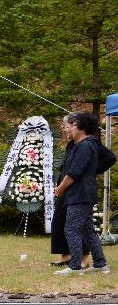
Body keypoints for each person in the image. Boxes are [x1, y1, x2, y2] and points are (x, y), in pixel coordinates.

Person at [53, 112, 111, 276]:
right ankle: (100, 264)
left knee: (71, 229)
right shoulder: (81, 145)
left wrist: (61, 188)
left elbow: (74, 172)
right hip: (81, 194)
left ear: (80, 126)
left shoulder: (85, 145)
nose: (68, 129)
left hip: (80, 194)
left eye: (71, 125)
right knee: (87, 231)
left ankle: (75, 266)